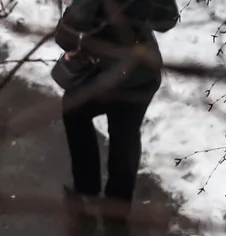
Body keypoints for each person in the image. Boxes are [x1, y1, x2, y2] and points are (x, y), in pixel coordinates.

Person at [55, 0, 179, 206]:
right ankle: (118, 205)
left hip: (106, 76)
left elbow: (67, 33)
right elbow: (167, 20)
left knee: (74, 112)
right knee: (126, 134)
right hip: (143, 73)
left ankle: (86, 191)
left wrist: (73, 45)